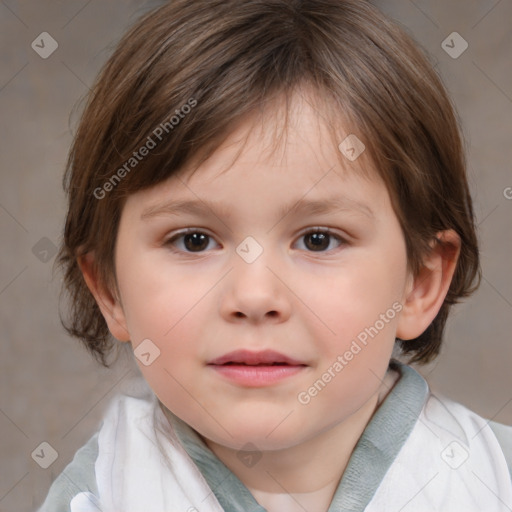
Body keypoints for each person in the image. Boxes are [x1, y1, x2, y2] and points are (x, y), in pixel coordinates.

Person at [38, 0, 512, 511]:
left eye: (318, 239)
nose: (255, 296)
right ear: (109, 288)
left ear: (419, 282)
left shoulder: (493, 480)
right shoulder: (99, 495)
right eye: (193, 240)